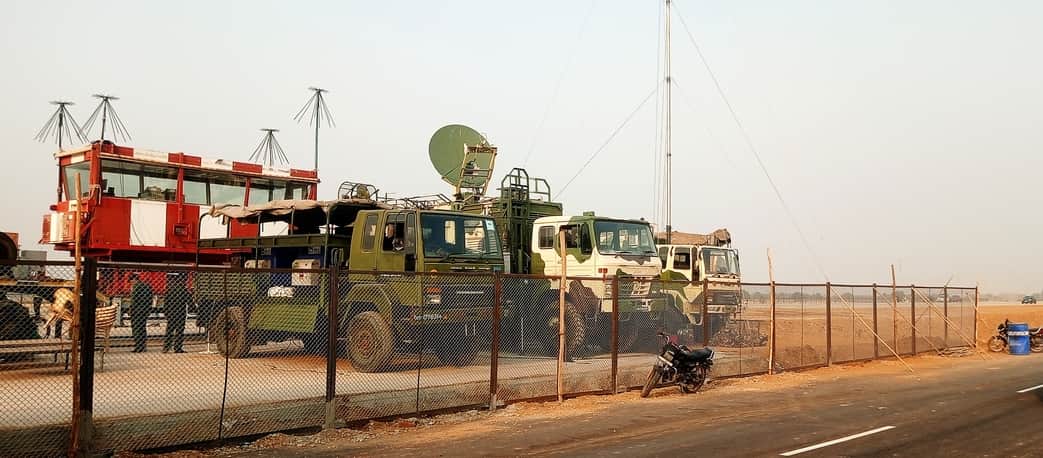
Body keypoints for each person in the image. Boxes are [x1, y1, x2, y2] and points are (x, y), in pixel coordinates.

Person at [163, 273, 189, 353]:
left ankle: (166, 347)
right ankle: (177, 348)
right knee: (179, 331)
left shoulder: (169, 289)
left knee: (169, 330)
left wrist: (166, 312)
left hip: (171, 313)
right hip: (180, 313)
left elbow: (166, 302)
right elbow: (189, 301)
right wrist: (194, 309)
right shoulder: (184, 290)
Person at [129, 273, 154, 353]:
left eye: (131, 281)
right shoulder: (148, 286)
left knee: (136, 329)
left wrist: (130, 310)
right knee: (142, 328)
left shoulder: (135, 287)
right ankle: (143, 346)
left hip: (136, 311)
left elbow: (133, 300)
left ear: (133, 280)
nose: (131, 283)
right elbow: (151, 299)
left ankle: (138, 347)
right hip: (144, 311)